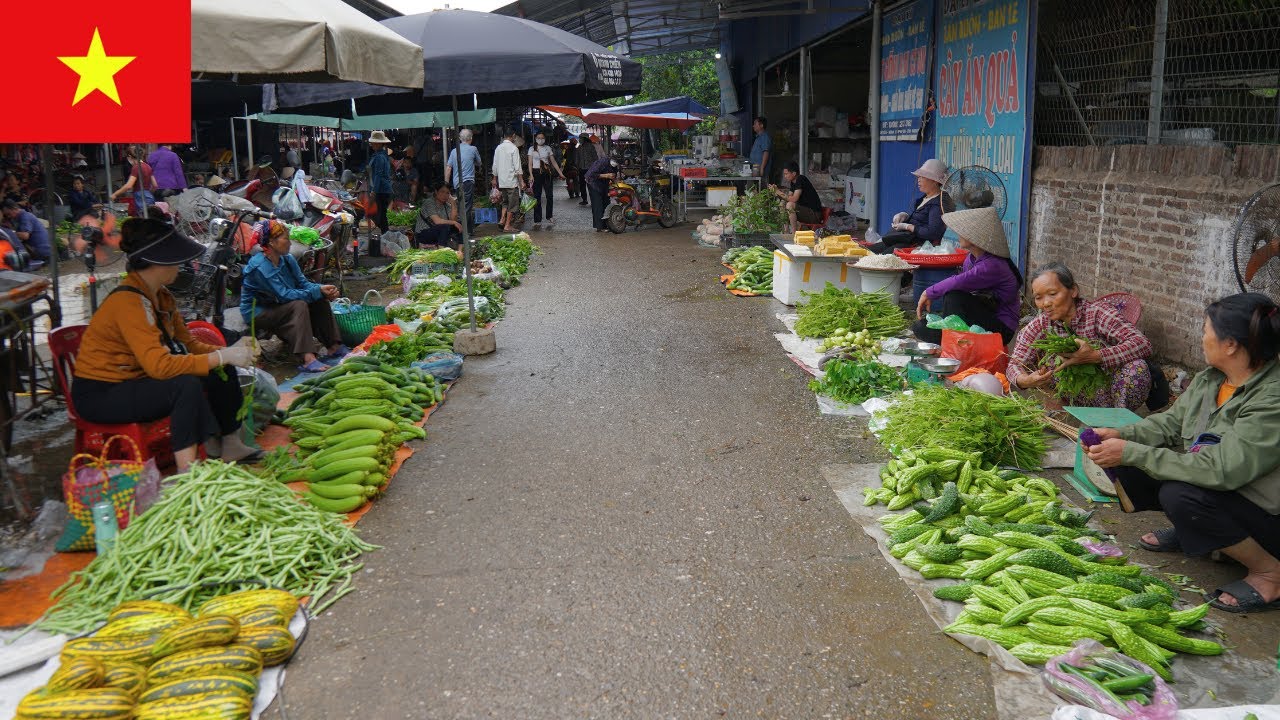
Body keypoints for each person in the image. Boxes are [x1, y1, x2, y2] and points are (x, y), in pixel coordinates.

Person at [1086, 292, 1280, 613]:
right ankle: (1197, 533)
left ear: (1230, 344)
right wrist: (1121, 435)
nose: (1202, 337)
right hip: (1225, 491)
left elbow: (1222, 470)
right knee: (1133, 462)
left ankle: (1269, 572)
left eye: (1206, 330)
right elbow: (1169, 425)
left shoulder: (1271, 398)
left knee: (1179, 492)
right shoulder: (1212, 379)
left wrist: (1132, 451)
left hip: (1265, 513)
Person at [71, 218, 261, 470]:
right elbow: (160, 367)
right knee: (184, 386)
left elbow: (188, 346)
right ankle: (188, 472)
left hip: (135, 381)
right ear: (157, 262)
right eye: (176, 259)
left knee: (219, 370)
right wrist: (223, 356)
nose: (183, 265)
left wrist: (228, 353)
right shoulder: (128, 303)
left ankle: (230, 443)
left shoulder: (162, 297)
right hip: (102, 394)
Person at [1007, 263, 1153, 410]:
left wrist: (1096, 356)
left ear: (1073, 291)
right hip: (1075, 394)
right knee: (1047, 363)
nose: (1045, 303)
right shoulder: (1041, 325)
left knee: (1137, 368)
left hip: (1111, 388)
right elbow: (1015, 364)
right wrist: (1025, 380)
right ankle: (1070, 409)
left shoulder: (1097, 313)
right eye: (1038, 297)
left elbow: (1141, 343)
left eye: (1052, 294)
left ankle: (1118, 420)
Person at [240, 221, 345, 373]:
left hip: (277, 305)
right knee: (299, 305)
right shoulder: (260, 267)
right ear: (271, 242)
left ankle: (333, 346)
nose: (290, 243)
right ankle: (308, 358)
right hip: (258, 312)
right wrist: (317, 291)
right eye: (286, 239)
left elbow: (303, 283)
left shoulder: (287, 259)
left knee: (318, 299)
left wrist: (321, 289)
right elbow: (284, 295)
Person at [911, 207, 1021, 346]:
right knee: (921, 326)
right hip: (981, 314)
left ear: (975, 237)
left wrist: (929, 292)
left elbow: (958, 282)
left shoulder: (993, 265)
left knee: (954, 296)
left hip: (1001, 328)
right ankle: (953, 339)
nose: (959, 234)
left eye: (963, 232)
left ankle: (953, 343)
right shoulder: (971, 258)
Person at [869, 159, 955, 254]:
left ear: (935, 181)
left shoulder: (937, 204)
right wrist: (905, 216)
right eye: (919, 176)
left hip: (916, 246)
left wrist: (908, 226)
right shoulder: (925, 197)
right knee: (868, 252)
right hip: (905, 239)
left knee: (881, 258)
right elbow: (920, 219)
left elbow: (933, 233)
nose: (918, 179)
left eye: (923, 177)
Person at [527, 130, 565, 230]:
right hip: (536, 173)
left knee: (549, 195)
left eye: (542, 138)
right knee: (537, 196)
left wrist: (560, 173)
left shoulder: (548, 148)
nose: (540, 140)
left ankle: (549, 216)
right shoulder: (531, 149)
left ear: (545, 139)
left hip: (547, 173)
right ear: (535, 139)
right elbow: (530, 164)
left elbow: (553, 162)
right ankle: (537, 220)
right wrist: (531, 175)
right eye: (538, 138)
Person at [446, 129, 483, 232]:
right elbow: (479, 163)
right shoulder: (473, 149)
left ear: (459, 138)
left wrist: (446, 184)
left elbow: (448, 168)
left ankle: (469, 229)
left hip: (457, 183)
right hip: (467, 182)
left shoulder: (454, 151)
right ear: (471, 138)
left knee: (463, 205)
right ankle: (464, 231)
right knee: (466, 207)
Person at [492, 124, 526, 234]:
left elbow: (495, 165)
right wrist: (521, 181)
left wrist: (494, 178)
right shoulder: (513, 148)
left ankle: (502, 220)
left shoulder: (498, 148)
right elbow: (518, 167)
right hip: (512, 181)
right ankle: (507, 225)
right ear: (513, 136)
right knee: (513, 205)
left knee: (505, 202)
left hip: (502, 181)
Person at [770, 161, 823, 232]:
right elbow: (788, 198)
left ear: (794, 173)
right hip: (806, 212)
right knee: (782, 203)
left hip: (814, 215)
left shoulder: (800, 179)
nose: (785, 176)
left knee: (790, 205)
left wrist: (778, 192)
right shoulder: (793, 182)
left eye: (786, 174)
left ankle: (794, 233)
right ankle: (786, 231)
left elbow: (794, 199)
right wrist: (776, 192)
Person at [110, 145, 158, 215]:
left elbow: (129, 186)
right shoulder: (148, 166)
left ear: (129, 157)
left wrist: (115, 194)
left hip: (140, 199)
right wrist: (148, 193)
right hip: (150, 198)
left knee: (143, 220)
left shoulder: (136, 167)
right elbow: (155, 185)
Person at [1, 199, 51, 265]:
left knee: (13, 246)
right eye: (6, 215)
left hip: (41, 253)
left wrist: (10, 233)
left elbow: (25, 236)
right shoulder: (19, 218)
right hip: (42, 251)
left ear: (15, 208)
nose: (8, 217)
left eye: (9, 214)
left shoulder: (25, 217)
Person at [414, 183, 463, 249]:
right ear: (436, 192)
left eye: (447, 193)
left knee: (459, 225)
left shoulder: (447, 205)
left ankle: (460, 251)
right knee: (444, 227)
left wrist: (453, 204)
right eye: (442, 192)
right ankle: (441, 250)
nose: (445, 195)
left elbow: (453, 220)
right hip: (423, 234)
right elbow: (437, 221)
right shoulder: (429, 203)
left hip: (438, 233)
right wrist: (454, 222)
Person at [367, 131, 393, 235]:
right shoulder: (382, 155)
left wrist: (374, 191)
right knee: (382, 217)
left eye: (373, 142)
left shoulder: (379, 157)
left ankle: (385, 238)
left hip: (381, 190)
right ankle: (384, 236)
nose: (372, 144)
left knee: (381, 217)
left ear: (378, 143)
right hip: (384, 189)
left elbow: (378, 175)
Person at [584, 156, 618, 233]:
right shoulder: (602, 162)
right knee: (598, 204)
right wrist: (606, 175)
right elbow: (591, 175)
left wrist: (614, 180)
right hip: (593, 183)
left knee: (606, 203)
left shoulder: (615, 166)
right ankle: (599, 227)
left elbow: (614, 175)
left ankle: (606, 224)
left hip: (603, 184)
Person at [749, 116, 772, 184]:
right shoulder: (758, 137)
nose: (753, 126)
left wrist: (762, 168)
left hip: (761, 170)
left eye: (755, 124)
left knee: (762, 188)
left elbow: (766, 153)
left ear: (761, 125)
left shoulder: (765, 137)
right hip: (756, 168)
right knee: (756, 188)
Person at [574, 133, 595, 206]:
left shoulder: (590, 147)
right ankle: (587, 200)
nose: (579, 139)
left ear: (584, 139)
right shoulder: (579, 147)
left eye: (580, 138)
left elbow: (595, 158)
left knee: (588, 185)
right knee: (585, 185)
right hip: (584, 169)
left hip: (589, 169)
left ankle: (590, 200)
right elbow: (577, 159)